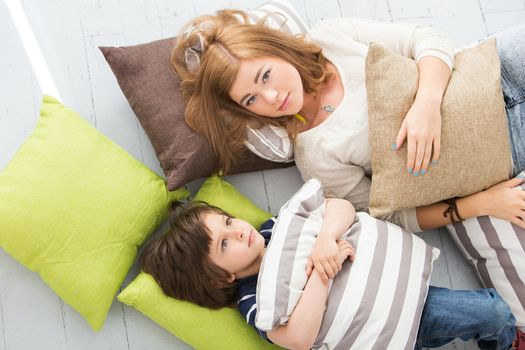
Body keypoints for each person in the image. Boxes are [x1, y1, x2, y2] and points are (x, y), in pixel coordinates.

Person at [170, 10, 525, 233]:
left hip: (497, 66)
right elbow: (389, 215)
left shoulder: (331, 36)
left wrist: (427, 104)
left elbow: (425, 39)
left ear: (276, 50)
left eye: (265, 75)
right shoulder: (315, 155)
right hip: (508, 143)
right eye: (251, 99)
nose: (272, 97)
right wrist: (477, 205)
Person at [140, 200, 519, 349]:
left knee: (497, 313)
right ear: (220, 279)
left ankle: (507, 343)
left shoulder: (278, 228)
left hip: (408, 301)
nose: (238, 230)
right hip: (373, 336)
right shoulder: (252, 297)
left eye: (228, 221)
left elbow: (339, 206)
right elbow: (298, 338)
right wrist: (323, 272)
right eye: (225, 244)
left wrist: (325, 239)